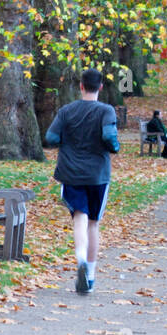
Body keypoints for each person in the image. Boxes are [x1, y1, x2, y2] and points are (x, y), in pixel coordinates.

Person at [44, 68, 119, 295]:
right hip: (97, 174)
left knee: (79, 216)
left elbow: (50, 138)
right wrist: (114, 147)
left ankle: (80, 260)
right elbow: (108, 137)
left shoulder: (67, 111)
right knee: (93, 223)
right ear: (101, 87)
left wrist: (67, 140)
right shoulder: (107, 111)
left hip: (71, 172)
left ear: (81, 86)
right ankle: (92, 275)